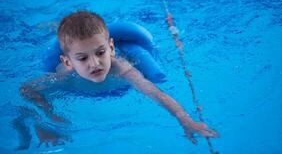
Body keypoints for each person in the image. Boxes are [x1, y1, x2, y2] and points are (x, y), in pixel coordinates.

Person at [19, 11, 218, 148]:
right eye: (83, 58)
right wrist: (45, 120)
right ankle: (51, 26)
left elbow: (156, 93)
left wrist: (185, 119)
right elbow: (26, 90)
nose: (95, 63)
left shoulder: (122, 69)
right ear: (68, 62)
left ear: (111, 48)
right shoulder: (63, 76)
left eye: (100, 53)